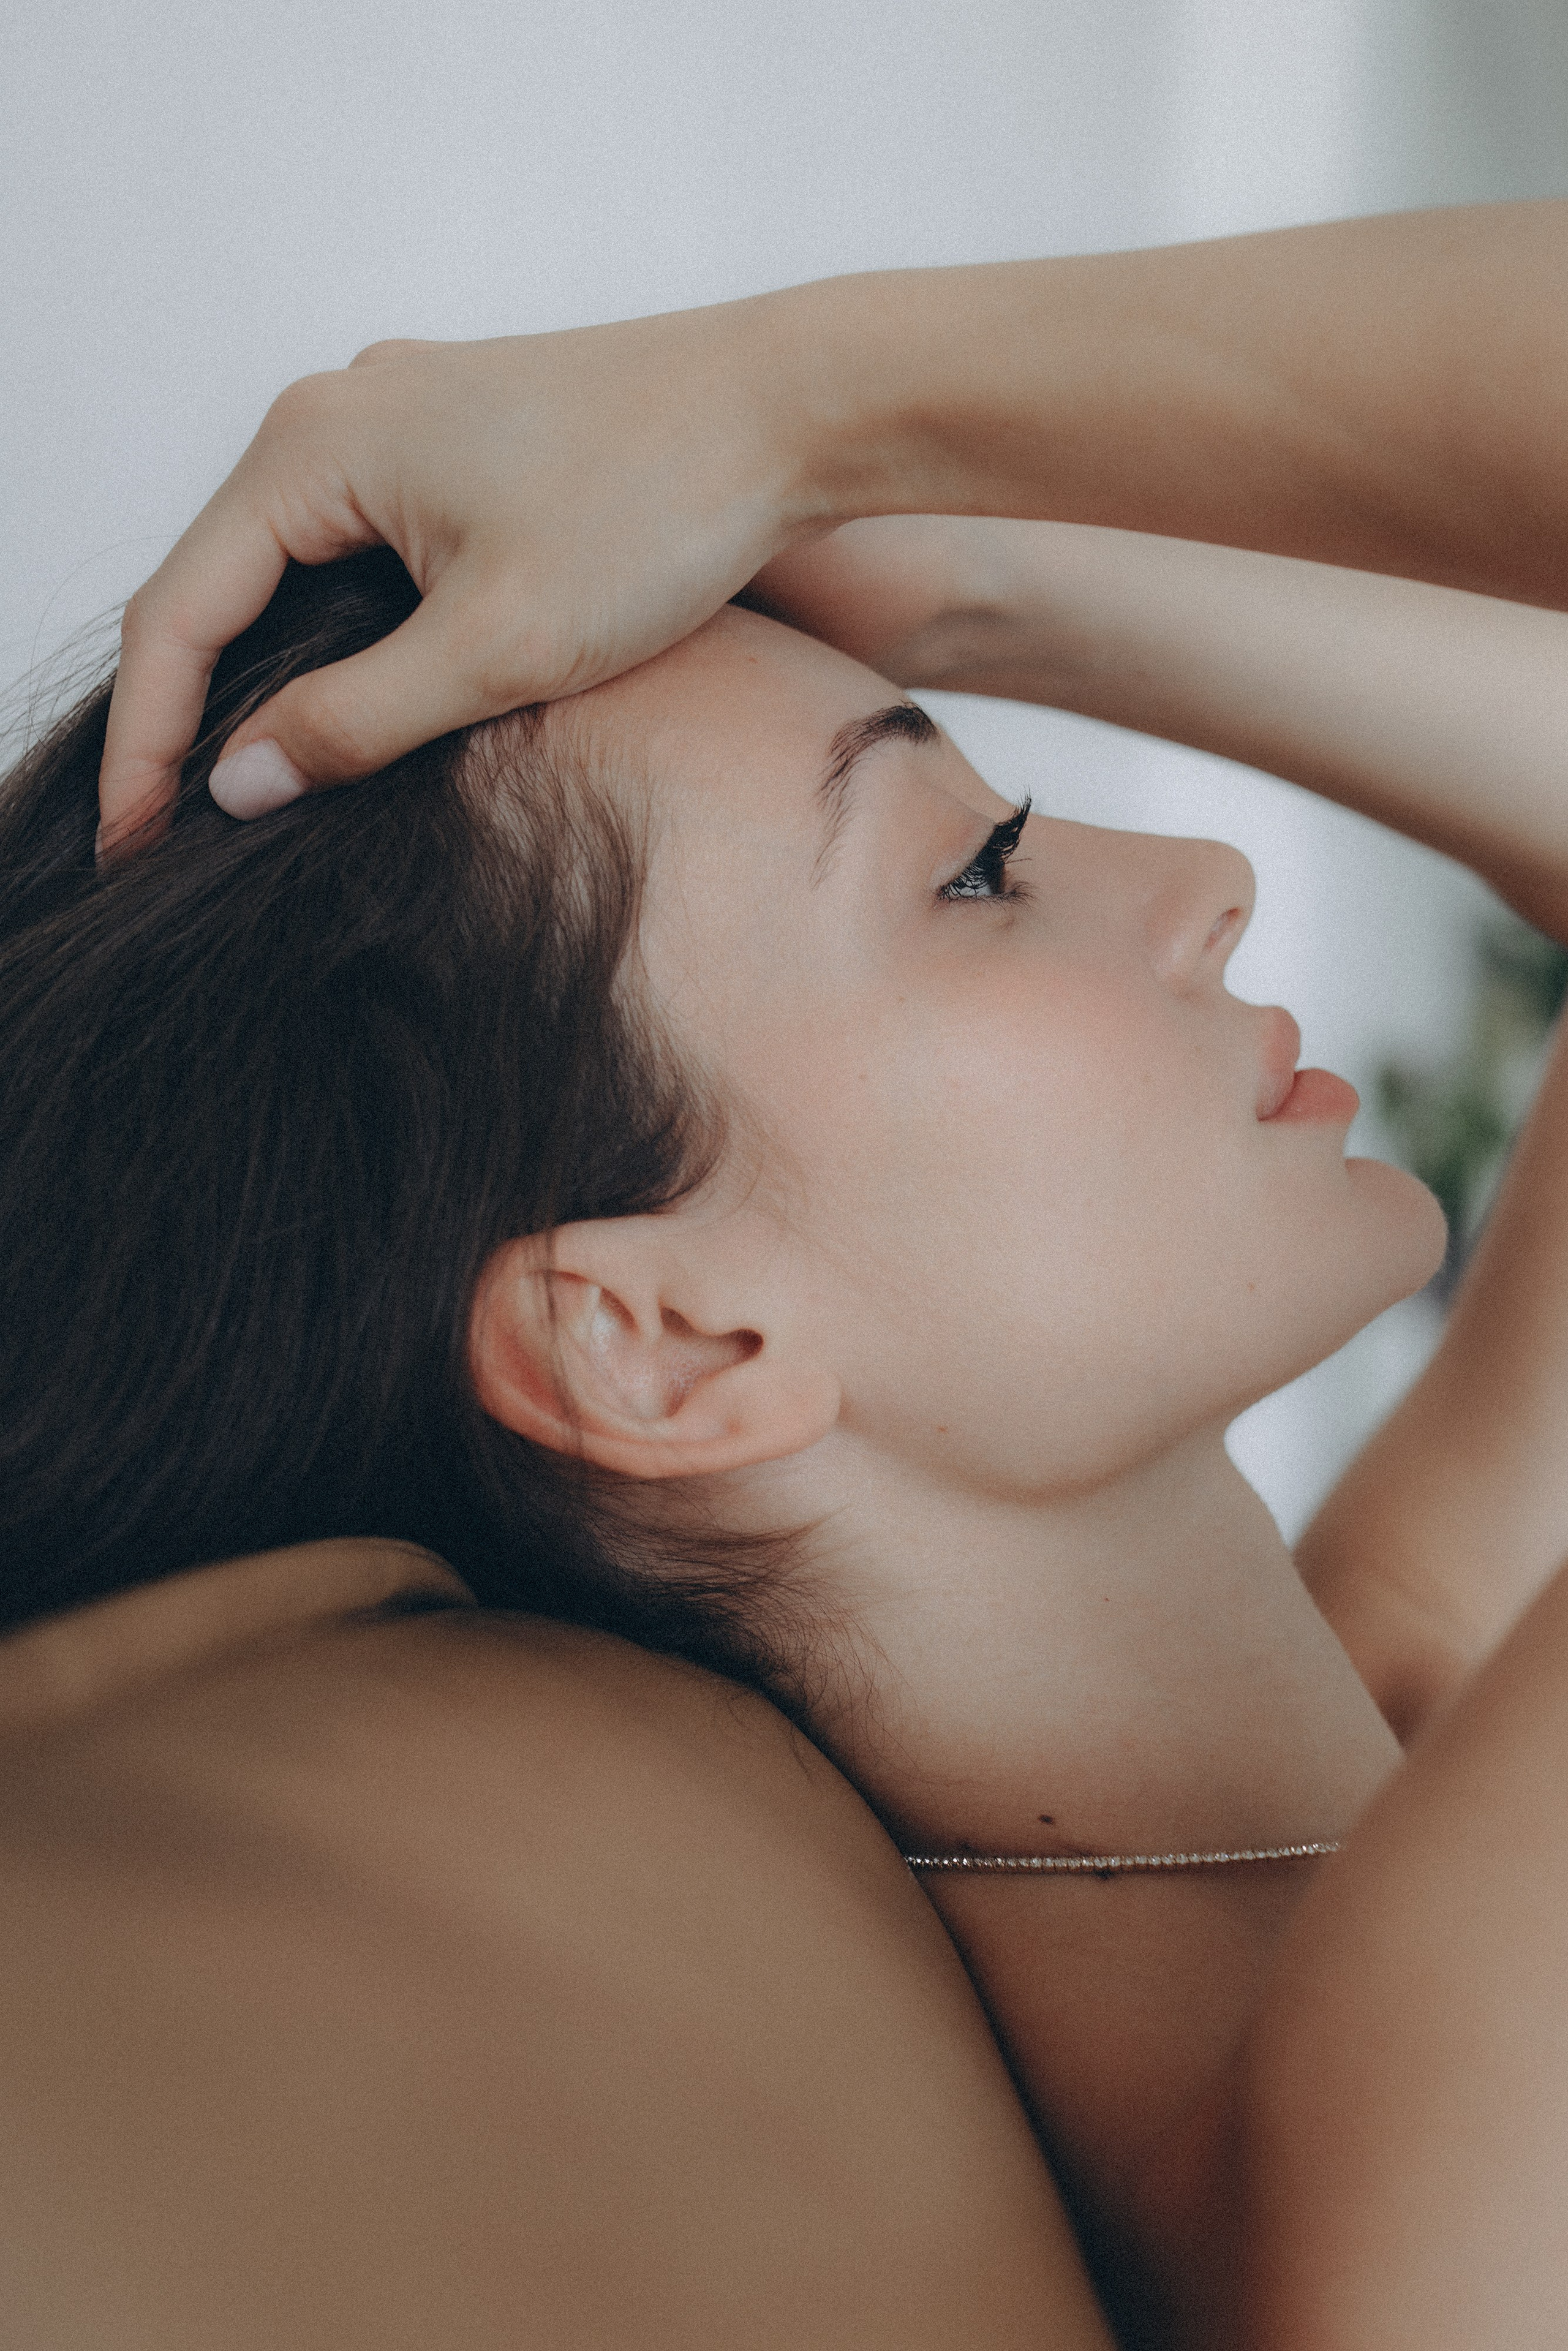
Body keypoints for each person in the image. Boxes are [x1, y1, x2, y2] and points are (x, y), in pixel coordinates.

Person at [4, 202, 1567, 2348]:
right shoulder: (1444, 2133)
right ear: (664, 1340)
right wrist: (781, 406)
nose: (1206, 881)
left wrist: (941, 565)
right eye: (978, 875)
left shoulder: (1402, 1746)